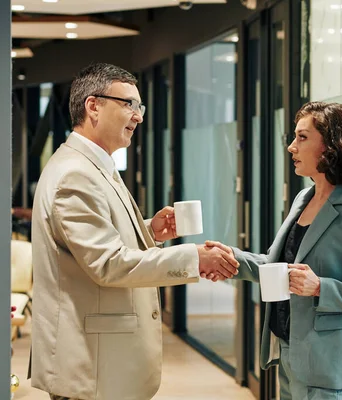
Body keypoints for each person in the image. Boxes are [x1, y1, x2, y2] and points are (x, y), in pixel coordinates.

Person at [30, 63, 239, 400]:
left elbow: (89, 242)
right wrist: (193, 258)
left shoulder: (91, 165)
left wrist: (149, 230)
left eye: (139, 106)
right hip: (92, 368)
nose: (138, 116)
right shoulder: (75, 174)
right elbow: (108, 264)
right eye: (128, 103)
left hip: (100, 365)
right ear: (93, 106)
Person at [205, 101, 342, 400]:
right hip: (290, 354)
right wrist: (233, 258)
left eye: (302, 137)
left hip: (329, 368)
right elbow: (280, 268)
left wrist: (320, 287)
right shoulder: (302, 200)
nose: (292, 147)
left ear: (332, 145)